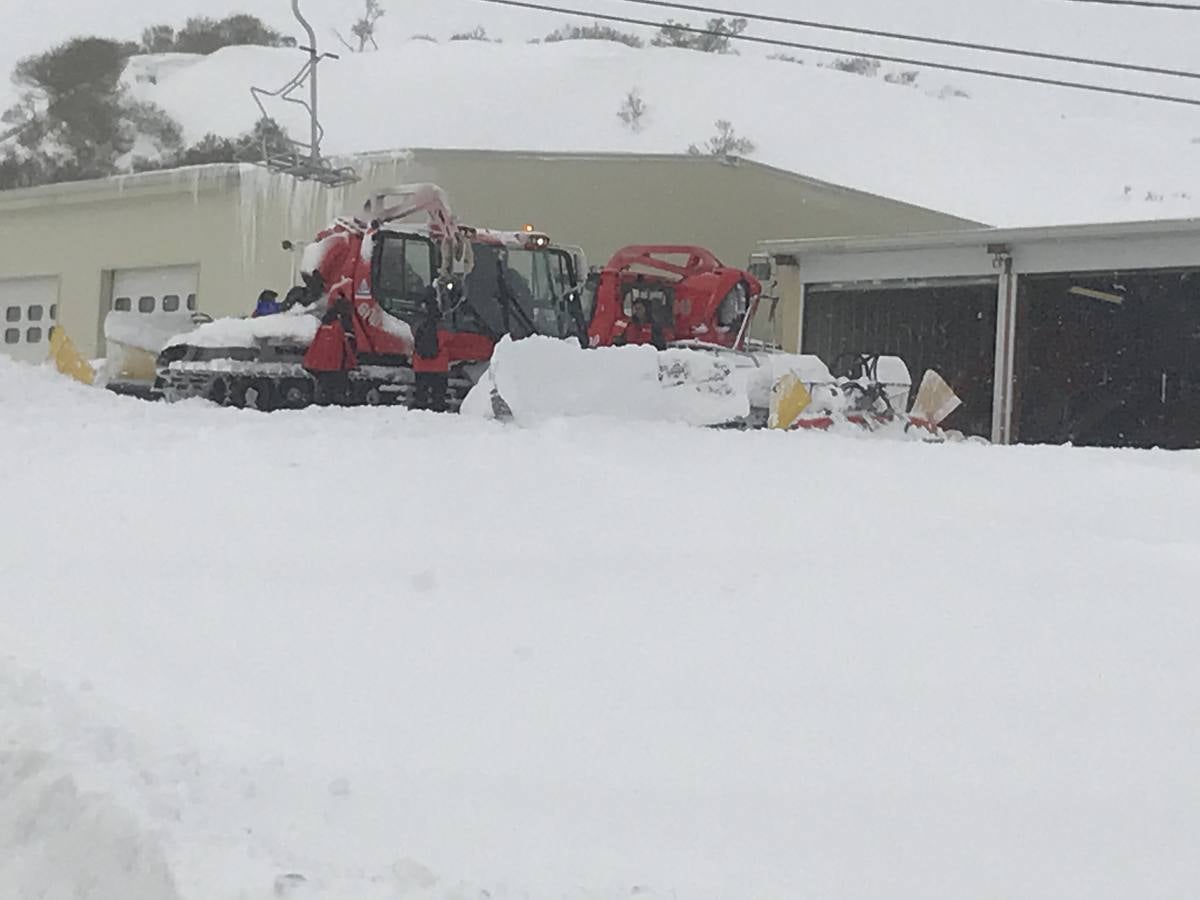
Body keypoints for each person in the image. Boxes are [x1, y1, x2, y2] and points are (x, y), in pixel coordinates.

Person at [411, 286, 449, 412]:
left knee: (421, 392)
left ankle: (421, 408)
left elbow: (413, 335)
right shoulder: (440, 317)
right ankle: (438, 409)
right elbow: (446, 337)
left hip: (421, 364)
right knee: (439, 395)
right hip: (439, 364)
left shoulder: (417, 316)